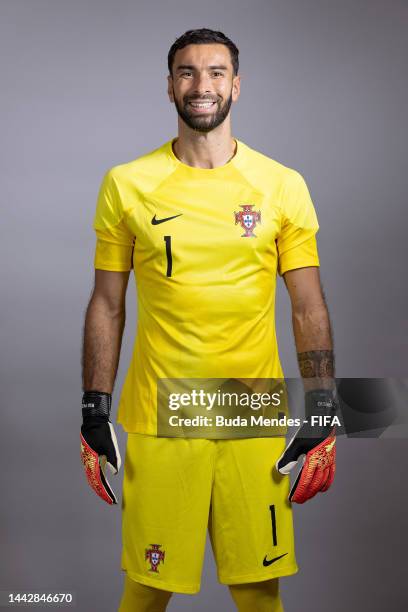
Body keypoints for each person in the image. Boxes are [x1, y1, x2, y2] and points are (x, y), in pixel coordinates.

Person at [80, 28, 336, 612]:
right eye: (188, 73)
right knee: (146, 589)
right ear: (170, 86)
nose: (202, 85)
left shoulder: (282, 185)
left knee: (258, 591)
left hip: (252, 414)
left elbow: (308, 304)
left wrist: (324, 409)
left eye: (216, 72)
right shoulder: (126, 184)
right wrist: (93, 410)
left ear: (237, 86)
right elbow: (106, 304)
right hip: (160, 414)